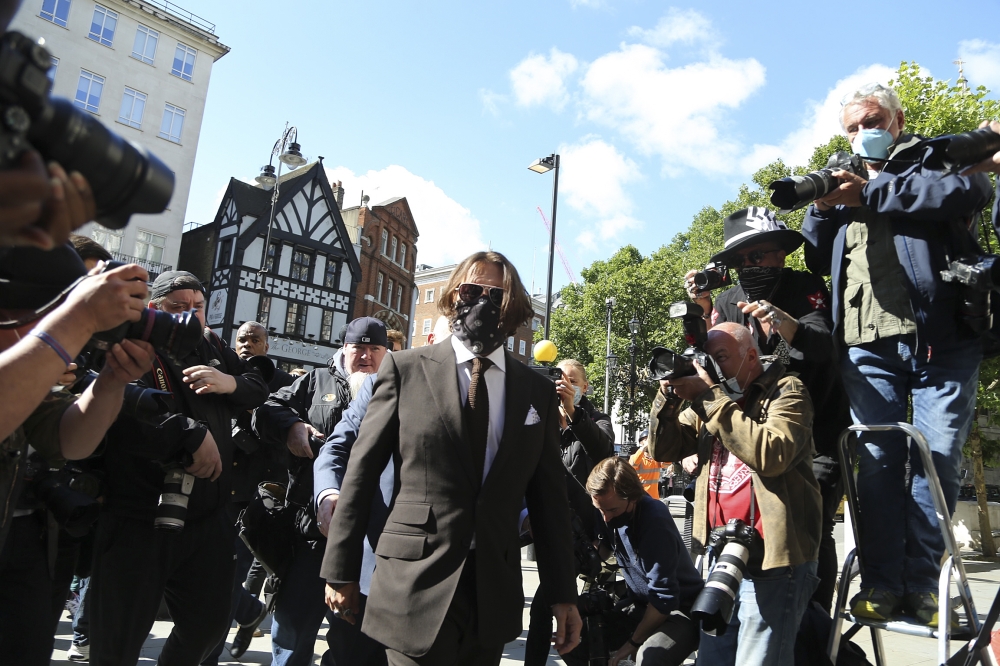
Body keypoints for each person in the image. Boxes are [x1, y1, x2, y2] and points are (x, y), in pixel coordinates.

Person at [324, 251, 582, 665]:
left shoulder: (534, 391)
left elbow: (549, 498)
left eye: (496, 295)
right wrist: (341, 569)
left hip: (490, 594)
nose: (482, 302)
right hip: (413, 584)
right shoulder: (404, 370)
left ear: (514, 307)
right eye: (471, 290)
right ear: (452, 297)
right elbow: (361, 471)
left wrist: (563, 594)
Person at [802, 83, 993, 627]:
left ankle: (925, 586)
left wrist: (871, 191)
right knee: (877, 466)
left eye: (871, 120)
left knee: (936, 461)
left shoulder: (934, 157)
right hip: (867, 347)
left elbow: (967, 194)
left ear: (897, 119)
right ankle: (883, 585)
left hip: (945, 343)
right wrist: (820, 206)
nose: (861, 133)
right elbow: (817, 257)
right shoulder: (839, 177)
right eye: (850, 127)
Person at [87, 271, 270, 666]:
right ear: (154, 310)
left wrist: (229, 383)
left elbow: (258, 383)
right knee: (117, 642)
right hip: (139, 515)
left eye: (198, 307)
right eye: (177, 308)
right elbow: (117, 409)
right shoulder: (129, 343)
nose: (190, 316)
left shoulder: (213, 347)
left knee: (208, 629)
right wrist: (186, 436)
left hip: (207, 516)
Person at [684, 206, 851, 612]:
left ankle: (811, 620)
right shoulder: (727, 300)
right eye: (740, 261)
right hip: (751, 432)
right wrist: (702, 311)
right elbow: (714, 363)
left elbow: (824, 346)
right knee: (748, 527)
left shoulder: (807, 285)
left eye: (756, 256)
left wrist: (784, 323)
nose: (748, 266)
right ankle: (747, 610)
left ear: (781, 254)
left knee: (812, 526)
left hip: (816, 433)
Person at [0, 245, 156, 665]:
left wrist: (110, 382)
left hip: (27, 541)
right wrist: (80, 316)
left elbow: (70, 441)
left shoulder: (30, 371)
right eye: (46, 315)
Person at [648, 322, 820, 666]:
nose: (710, 368)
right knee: (712, 659)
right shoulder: (708, 404)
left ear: (751, 355)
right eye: (704, 360)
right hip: (719, 553)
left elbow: (772, 455)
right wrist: (667, 396)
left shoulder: (787, 390)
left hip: (772, 558)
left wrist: (710, 397)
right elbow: (663, 449)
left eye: (721, 358)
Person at [252, 316, 388, 666]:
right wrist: (292, 426)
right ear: (344, 349)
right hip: (309, 534)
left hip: (365, 539)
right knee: (294, 630)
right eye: (359, 347)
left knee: (351, 641)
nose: (366, 357)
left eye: (375, 349)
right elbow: (264, 411)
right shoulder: (314, 382)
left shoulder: (395, 389)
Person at [202, 321, 296, 664]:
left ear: (266, 346)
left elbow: (286, 436)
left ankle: (246, 617)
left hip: (265, 493)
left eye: (255, 339)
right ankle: (240, 620)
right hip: (224, 488)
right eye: (242, 338)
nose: (247, 344)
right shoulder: (222, 377)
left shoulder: (284, 384)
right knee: (221, 572)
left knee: (251, 569)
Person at [586, 457, 703, 666]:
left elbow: (663, 598)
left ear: (632, 497)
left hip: (679, 610)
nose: (605, 518)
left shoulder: (654, 520)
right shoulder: (607, 508)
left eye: (612, 510)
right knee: (580, 636)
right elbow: (605, 552)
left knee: (650, 657)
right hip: (640, 603)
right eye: (600, 510)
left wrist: (631, 643)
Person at [555, 358, 615, 487]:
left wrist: (572, 412)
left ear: (585, 387)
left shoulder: (599, 419)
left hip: (585, 503)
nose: (566, 387)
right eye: (561, 382)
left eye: (572, 382)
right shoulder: (543, 418)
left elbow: (604, 452)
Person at [630, 429, 667, 499]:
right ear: (641, 443)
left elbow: (666, 464)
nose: (649, 442)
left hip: (654, 498)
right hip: (640, 497)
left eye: (650, 439)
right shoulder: (636, 457)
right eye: (645, 439)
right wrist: (644, 447)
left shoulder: (656, 459)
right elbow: (633, 464)